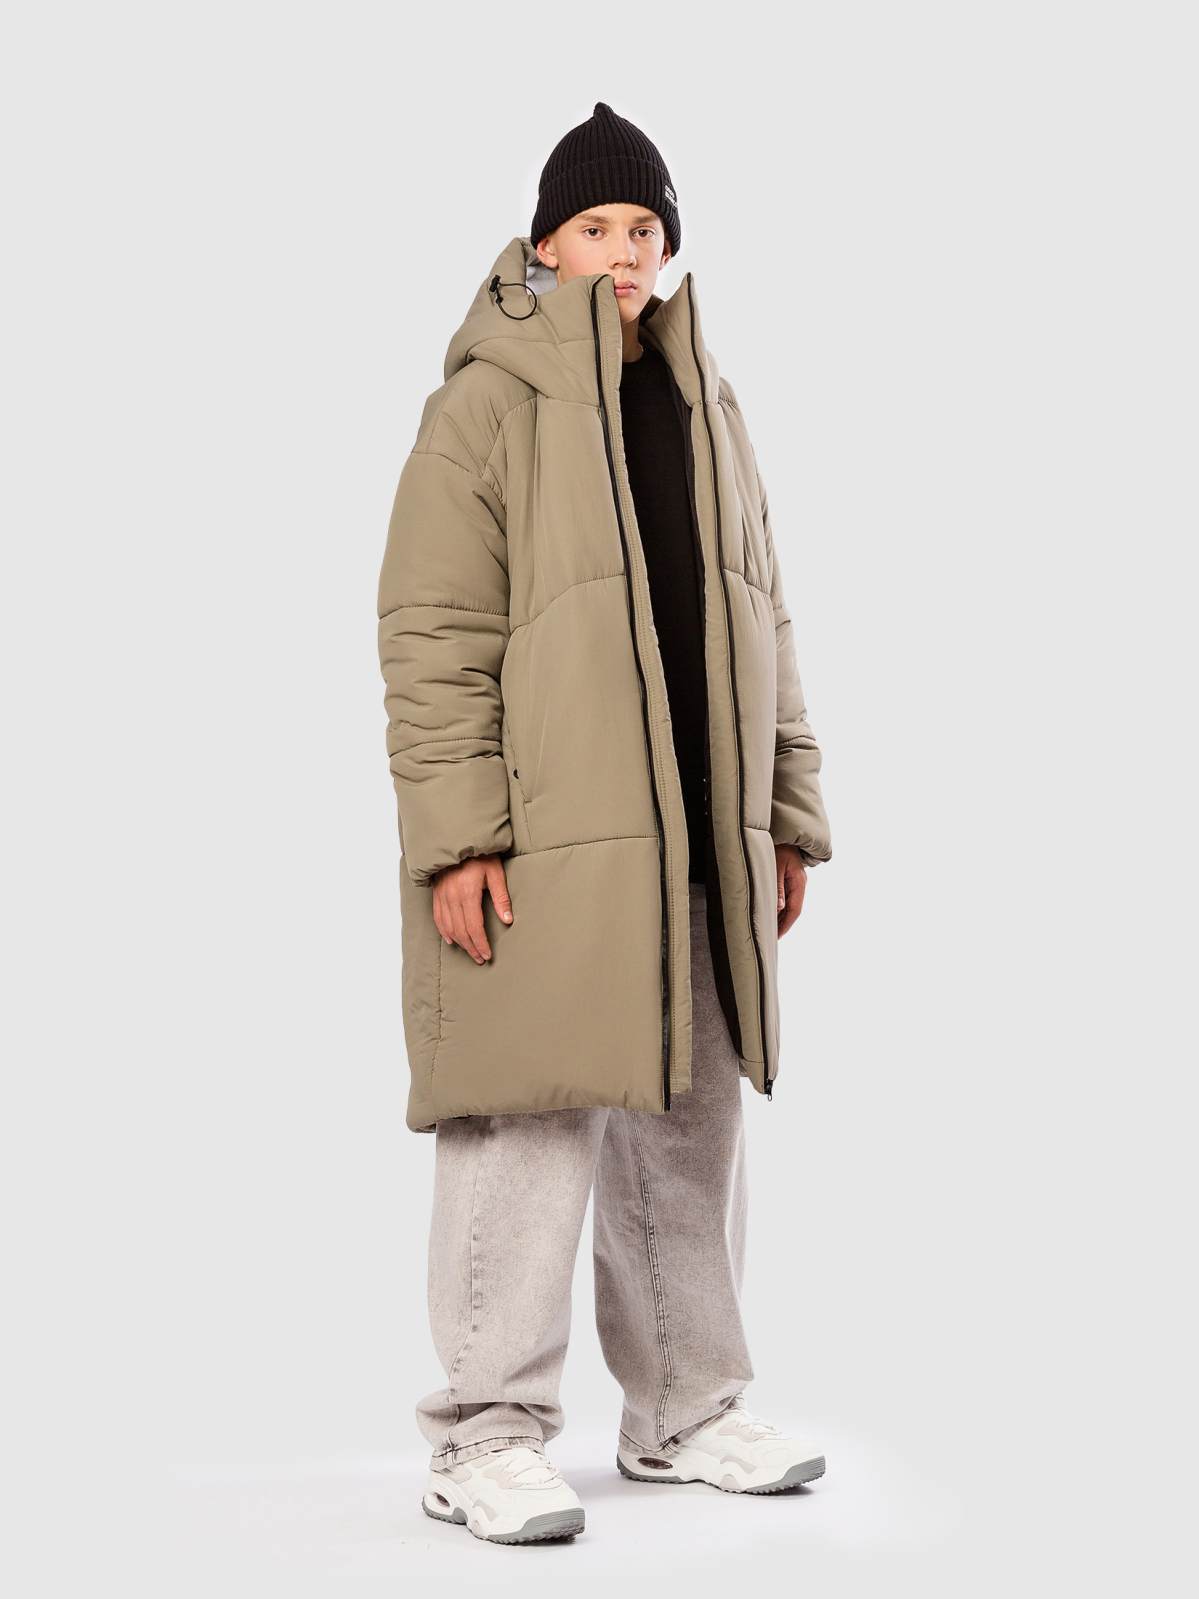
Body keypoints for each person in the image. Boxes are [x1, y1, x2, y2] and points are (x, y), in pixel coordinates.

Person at [377, 103, 832, 1545]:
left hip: (700, 832)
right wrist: (458, 836)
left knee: (690, 1123)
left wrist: (787, 810)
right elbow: (432, 632)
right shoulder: (484, 406)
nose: (626, 251)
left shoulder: (705, 402)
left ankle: (685, 1410)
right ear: (545, 243)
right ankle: (486, 1432)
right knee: (524, 1124)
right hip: (543, 841)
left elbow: (764, 610)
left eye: (647, 228)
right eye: (597, 228)